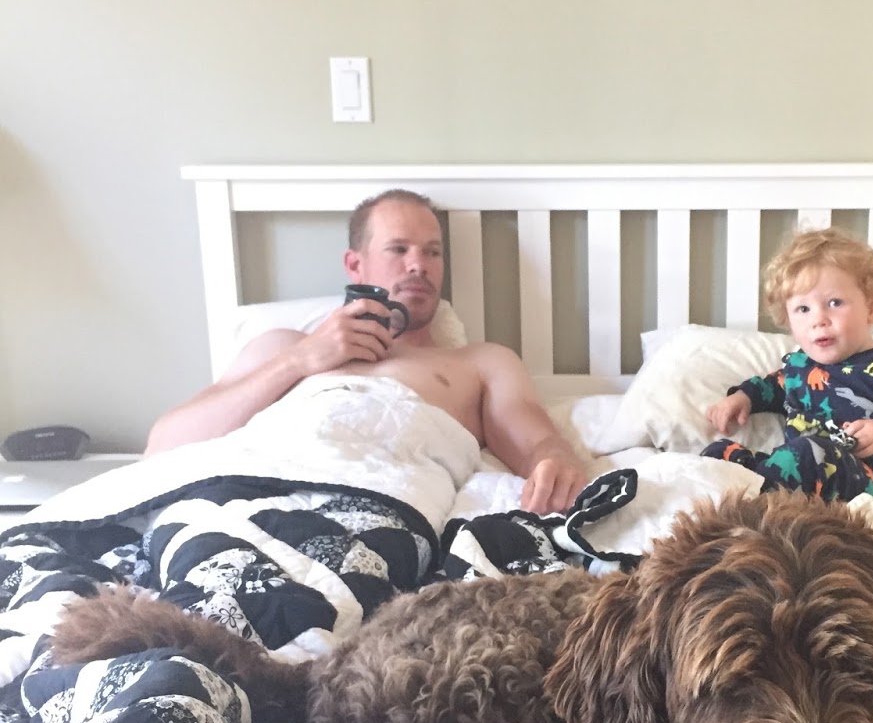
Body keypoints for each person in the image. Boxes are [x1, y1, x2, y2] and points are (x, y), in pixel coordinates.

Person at [146, 189, 590, 515]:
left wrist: (555, 460)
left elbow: (535, 439)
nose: (418, 265)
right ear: (355, 265)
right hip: (252, 498)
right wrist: (300, 361)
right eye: (398, 249)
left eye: (433, 253)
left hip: (385, 506)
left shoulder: (478, 363)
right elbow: (164, 446)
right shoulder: (282, 347)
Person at [701, 227, 873, 514]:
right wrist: (744, 398)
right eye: (803, 309)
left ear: (872, 308)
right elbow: (775, 386)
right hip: (803, 473)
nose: (819, 320)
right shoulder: (800, 366)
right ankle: (730, 506)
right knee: (717, 454)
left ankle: (750, 514)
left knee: (807, 452)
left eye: (835, 303)